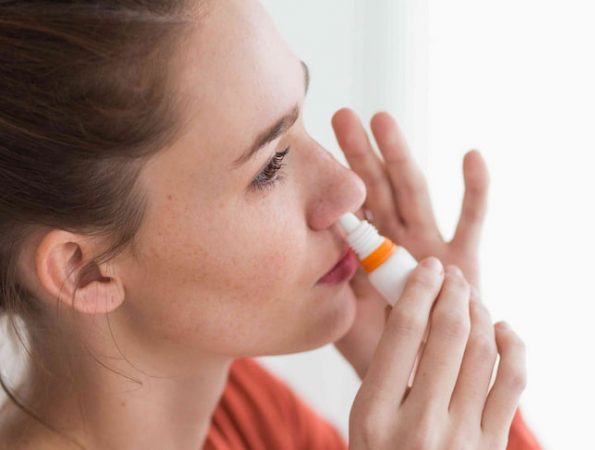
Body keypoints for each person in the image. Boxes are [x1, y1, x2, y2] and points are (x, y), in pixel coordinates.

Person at [0, 0, 542, 449]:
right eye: (270, 167)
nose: (348, 189)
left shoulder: (246, 420)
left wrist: (440, 389)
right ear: (85, 270)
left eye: (302, 117)